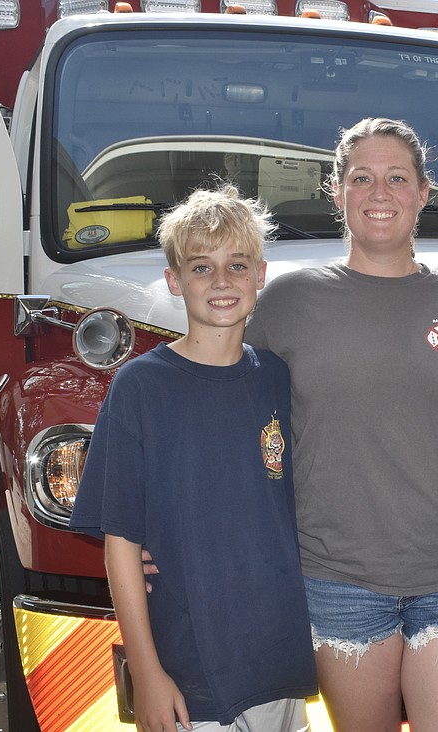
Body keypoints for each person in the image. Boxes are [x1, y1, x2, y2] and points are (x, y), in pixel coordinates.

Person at [244, 118, 438, 731]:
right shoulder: (288, 301)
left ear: (423, 192)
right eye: (362, 178)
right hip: (338, 575)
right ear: (337, 192)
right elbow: (237, 427)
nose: (379, 192)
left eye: (396, 178)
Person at [69, 185, 317, 732]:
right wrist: (147, 671)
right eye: (201, 268)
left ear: (261, 275)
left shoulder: (278, 378)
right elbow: (121, 543)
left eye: (237, 265)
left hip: (278, 657)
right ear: (174, 281)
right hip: (189, 667)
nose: (221, 282)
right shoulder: (140, 386)